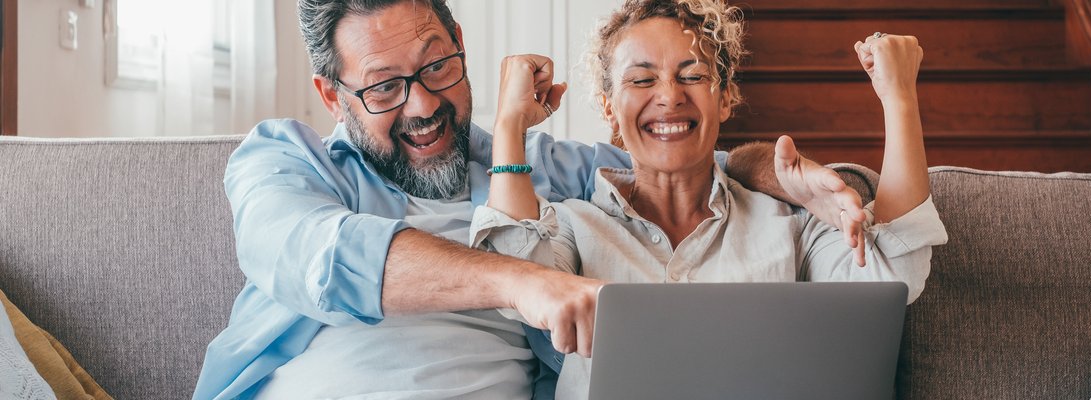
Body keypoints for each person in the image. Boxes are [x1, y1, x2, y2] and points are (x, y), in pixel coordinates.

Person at [192, 0, 865, 398]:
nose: (423, 105)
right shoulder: (286, 161)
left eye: (436, 67)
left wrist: (788, 175)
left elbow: (691, 158)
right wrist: (524, 283)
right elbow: (321, 255)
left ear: (461, 46)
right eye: (384, 88)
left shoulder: (547, 171)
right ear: (332, 96)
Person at [470, 0, 951, 398]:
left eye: (692, 75)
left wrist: (899, 98)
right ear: (610, 108)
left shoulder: (788, 223)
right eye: (641, 80)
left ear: (724, 98)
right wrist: (510, 124)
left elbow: (894, 273)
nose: (669, 96)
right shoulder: (576, 228)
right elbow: (514, 274)